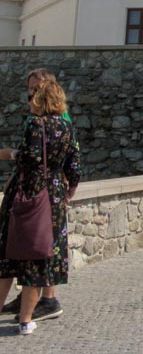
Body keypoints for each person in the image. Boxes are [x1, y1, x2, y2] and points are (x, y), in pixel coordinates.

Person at [0, 73, 81, 335]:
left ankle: (29, 309)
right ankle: (27, 318)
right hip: (55, 195)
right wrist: (68, 192)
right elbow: (75, 167)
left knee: (8, 252)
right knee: (41, 253)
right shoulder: (67, 127)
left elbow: (31, 158)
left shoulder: (35, 124)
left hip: (30, 193)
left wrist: (10, 154)